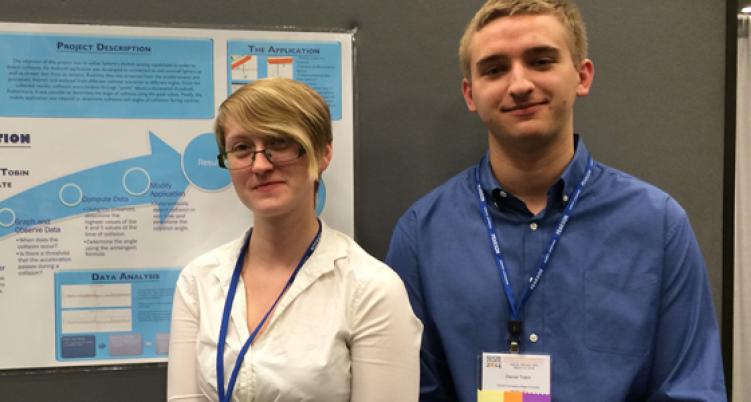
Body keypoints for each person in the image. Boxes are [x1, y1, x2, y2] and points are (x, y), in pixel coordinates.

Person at [385, 1, 727, 401]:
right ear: (470, 93)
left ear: (582, 76)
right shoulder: (422, 234)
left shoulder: (657, 226)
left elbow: (689, 390)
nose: (519, 84)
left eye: (541, 61)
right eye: (494, 69)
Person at [167, 77, 422, 402]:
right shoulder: (198, 281)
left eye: (279, 142)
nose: (259, 165)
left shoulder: (371, 289)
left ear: (323, 153)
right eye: (242, 148)